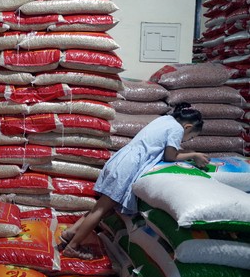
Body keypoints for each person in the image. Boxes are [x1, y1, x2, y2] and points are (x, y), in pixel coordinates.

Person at [59, 102, 209, 259]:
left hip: (121, 159)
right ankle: (73, 247)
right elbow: (170, 156)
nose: (186, 142)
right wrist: (193, 155)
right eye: (190, 138)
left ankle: (71, 232)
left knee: (102, 206)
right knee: (101, 210)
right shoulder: (177, 129)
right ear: (188, 127)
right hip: (129, 166)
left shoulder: (165, 120)